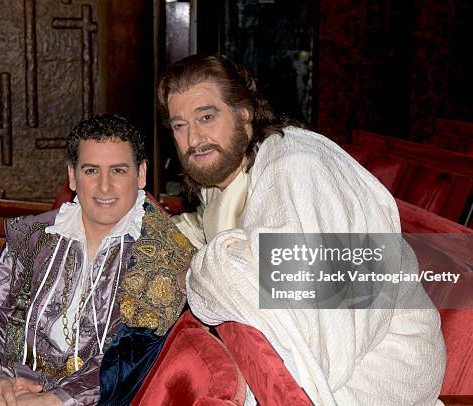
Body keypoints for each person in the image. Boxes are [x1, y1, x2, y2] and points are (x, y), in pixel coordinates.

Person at [157, 55, 446, 405]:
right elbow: (217, 231)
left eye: (206, 117)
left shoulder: (297, 167)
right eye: (179, 126)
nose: (194, 138)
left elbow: (301, 301)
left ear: (244, 114)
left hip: (382, 372)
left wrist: (197, 272)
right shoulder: (230, 174)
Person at [0, 114, 194, 405]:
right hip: (7, 386)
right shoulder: (33, 236)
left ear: (141, 174)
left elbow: (134, 354)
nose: (104, 187)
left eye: (119, 170)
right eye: (91, 171)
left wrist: (55, 399)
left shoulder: (164, 255)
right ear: (73, 175)